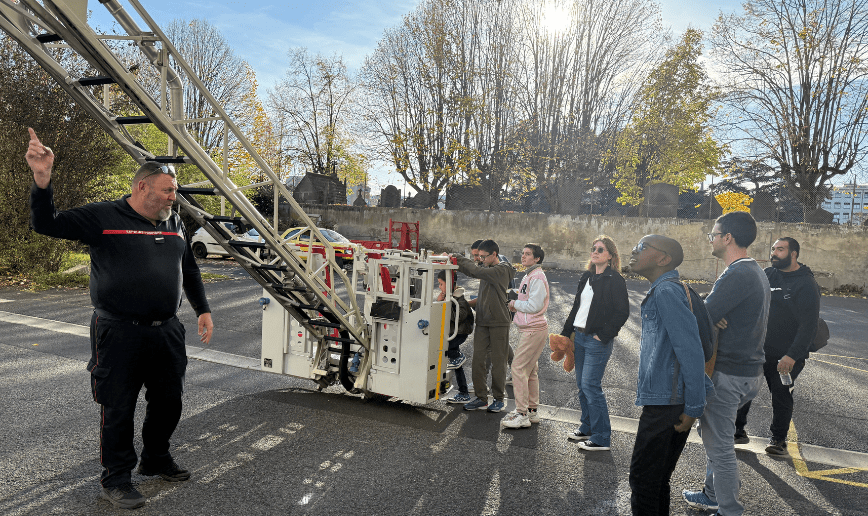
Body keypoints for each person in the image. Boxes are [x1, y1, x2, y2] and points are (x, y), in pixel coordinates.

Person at [26, 128, 215, 510]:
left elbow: (188, 267)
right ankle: (116, 478)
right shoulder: (103, 216)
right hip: (118, 331)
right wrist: (42, 180)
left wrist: (203, 309)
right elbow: (47, 224)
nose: (172, 197)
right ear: (143, 187)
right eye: (167, 190)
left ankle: (156, 458)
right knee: (118, 406)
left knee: (169, 401)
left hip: (167, 331)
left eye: (174, 191)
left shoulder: (173, 220)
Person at [683, 212, 770, 516]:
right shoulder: (754, 271)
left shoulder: (737, 273)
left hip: (729, 374)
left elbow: (699, 317)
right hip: (747, 372)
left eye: (713, 233)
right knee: (717, 439)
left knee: (720, 447)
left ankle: (729, 509)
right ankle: (711, 493)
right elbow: (709, 312)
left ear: (727, 238)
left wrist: (708, 312)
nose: (711, 238)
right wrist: (710, 311)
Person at [628, 235, 713, 515]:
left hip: (667, 402)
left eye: (641, 247)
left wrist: (694, 407)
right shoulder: (669, 289)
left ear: (663, 259)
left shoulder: (666, 291)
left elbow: (691, 350)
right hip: (670, 398)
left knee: (643, 480)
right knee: (655, 480)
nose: (633, 251)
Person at [734, 237, 820, 455]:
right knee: (744, 390)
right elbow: (747, 299)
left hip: (786, 355)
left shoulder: (806, 284)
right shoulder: (768, 274)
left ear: (793, 254)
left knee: (781, 395)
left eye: (780, 249)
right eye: (773, 249)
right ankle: (737, 431)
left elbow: (808, 326)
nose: (774, 253)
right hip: (758, 349)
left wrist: (792, 355)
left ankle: (778, 440)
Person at [560, 235, 630, 451]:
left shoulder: (615, 279)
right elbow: (576, 307)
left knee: (591, 386)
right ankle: (588, 427)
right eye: (594, 248)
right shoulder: (587, 276)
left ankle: (601, 437)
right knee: (582, 386)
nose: (595, 252)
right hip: (579, 337)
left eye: (600, 249)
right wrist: (565, 333)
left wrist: (604, 334)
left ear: (610, 255)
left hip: (596, 341)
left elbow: (622, 312)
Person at [451, 240, 514, 413]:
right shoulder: (487, 269)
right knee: (478, 360)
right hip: (483, 321)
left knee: (499, 362)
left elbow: (475, 270)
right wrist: (454, 262)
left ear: (494, 255)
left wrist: (456, 257)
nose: (481, 259)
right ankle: (481, 398)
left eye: (484, 256)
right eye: (479, 256)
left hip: (499, 322)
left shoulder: (502, 269)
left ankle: (499, 399)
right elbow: (473, 270)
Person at [501, 244, 550, 429]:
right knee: (530, 370)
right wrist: (517, 300)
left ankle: (521, 413)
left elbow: (534, 305)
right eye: (523, 253)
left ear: (537, 259)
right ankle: (531, 411)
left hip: (533, 329)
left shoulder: (536, 276)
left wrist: (513, 303)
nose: (523, 256)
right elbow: (529, 301)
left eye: (528, 254)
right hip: (533, 328)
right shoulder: (531, 275)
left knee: (518, 367)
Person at [436, 270, 474, 404]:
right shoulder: (451, 297)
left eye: (441, 284)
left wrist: (444, 304)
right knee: (456, 364)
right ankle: (463, 392)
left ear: (450, 283)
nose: (439, 287)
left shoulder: (458, 298)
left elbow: (459, 316)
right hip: (454, 332)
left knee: (449, 348)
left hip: (460, 333)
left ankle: (459, 357)